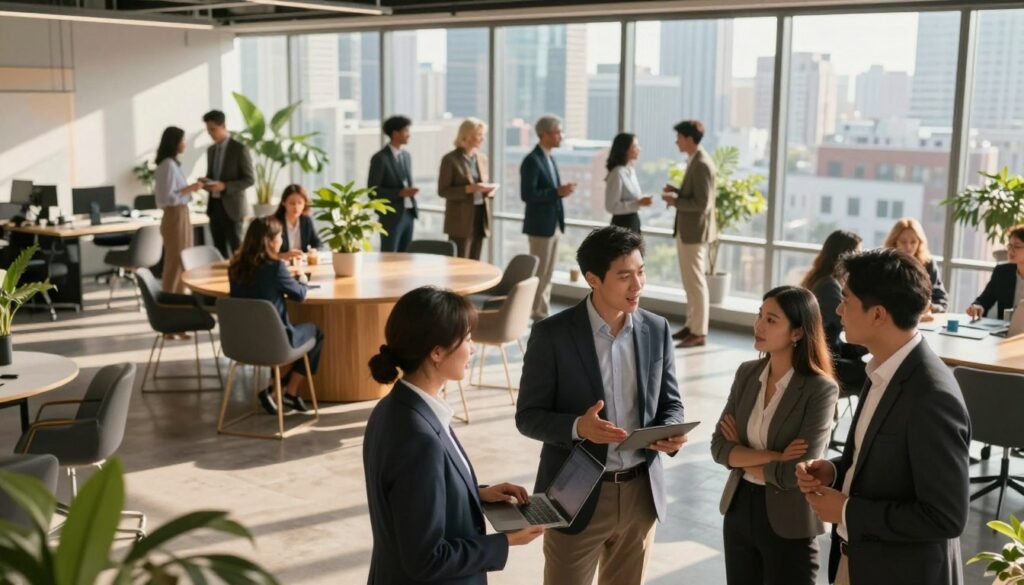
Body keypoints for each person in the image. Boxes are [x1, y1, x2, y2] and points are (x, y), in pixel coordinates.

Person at [516, 226, 686, 585]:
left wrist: (671, 430)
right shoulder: (552, 335)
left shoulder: (656, 329)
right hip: (575, 494)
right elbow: (528, 417)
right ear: (593, 278)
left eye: (641, 272)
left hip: (641, 493)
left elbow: (671, 402)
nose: (637, 285)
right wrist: (579, 427)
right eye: (625, 276)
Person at [796, 248, 971, 585]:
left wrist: (846, 510)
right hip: (860, 560)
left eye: (846, 300)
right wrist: (836, 470)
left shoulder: (931, 395)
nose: (838, 309)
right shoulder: (882, 369)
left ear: (877, 315)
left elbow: (945, 517)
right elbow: (883, 459)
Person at [363, 286, 543, 584]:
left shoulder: (394, 407)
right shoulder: (419, 438)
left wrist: (476, 493)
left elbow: (407, 503)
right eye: (468, 338)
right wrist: (506, 541)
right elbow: (427, 559)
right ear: (436, 352)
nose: (472, 348)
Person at [710, 286, 839, 585]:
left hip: (789, 519)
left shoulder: (820, 389)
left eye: (771, 320)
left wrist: (741, 455)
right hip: (739, 508)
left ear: (796, 332)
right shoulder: (746, 373)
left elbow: (797, 472)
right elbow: (718, 448)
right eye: (759, 315)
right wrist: (777, 457)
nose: (758, 325)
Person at [228, 216, 323, 416]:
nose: (281, 241)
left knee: (281, 332)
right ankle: (291, 391)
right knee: (316, 332)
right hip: (275, 342)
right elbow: (300, 295)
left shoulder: (235, 267)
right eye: (279, 237)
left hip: (241, 342)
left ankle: (274, 390)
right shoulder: (275, 267)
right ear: (270, 241)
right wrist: (302, 281)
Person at [662, 119, 716, 348]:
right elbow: (696, 195)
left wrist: (675, 201)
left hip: (695, 232)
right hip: (688, 231)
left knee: (695, 283)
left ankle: (699, 332)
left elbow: (702, 203)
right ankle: (691, 325)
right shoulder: (695, 160)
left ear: (689, 138)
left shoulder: (702, 163)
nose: (676, 142)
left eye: (679, 138)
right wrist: (678, 192)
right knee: (689, 282)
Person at [521, 115, 576, 321]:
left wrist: (560, 192)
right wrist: (556, 192)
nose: (561, 136)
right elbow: (527, 194)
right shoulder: (532, 160)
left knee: (548, 273)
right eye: (557, 132)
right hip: (540, 226)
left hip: (553, 225)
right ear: (543, 134)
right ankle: (536, 313)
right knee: (540, 273)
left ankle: (541, 311)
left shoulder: (550, 158)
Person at [801, 230, 868, 391]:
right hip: (824, 359)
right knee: (871, 374)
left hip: (827, 348)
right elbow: (848, 325)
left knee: (870, 355)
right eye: (858, 254)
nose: (860, 259)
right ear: (843, 256)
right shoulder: (829, 286)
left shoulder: (823, 278)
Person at [153, 126, 202, 301]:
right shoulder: (167, 165)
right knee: (175, 262)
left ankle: (180, 299)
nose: (184, 143)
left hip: (181, 213)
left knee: (183, 261)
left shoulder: (172, 164)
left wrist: (189, 189)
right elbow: (169, 197)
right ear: (174, 142)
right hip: (175, 215)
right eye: (182, 140)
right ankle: (169, 300)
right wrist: (191, 188)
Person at [438, 117, 497, 259]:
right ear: (467, 135)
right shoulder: (450, 159)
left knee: (476, 259)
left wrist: (489, 190)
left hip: (480, 215)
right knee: (460, 260)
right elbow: (443, 190)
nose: (482, 138)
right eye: (479, 134)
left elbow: (483, 184)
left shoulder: (482, 158)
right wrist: (468, 189)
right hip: (460, 220)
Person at [201, 109, 254, 258]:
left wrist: (225, 186)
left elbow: (249, 179)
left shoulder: (239, 149)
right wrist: (205, 182)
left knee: (238, 250)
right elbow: (213, 176)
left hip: (233, 209)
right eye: (208, 130)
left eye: (213, 129)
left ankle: (242, 280)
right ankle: (222, 281)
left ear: (223, 126)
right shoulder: (211, 150)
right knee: (219, 251)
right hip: (214, 207)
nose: (210, 133)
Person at [368, 115, 418, 252]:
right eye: (406, 131)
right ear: (395, 133)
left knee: (406, 256)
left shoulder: (406, 156)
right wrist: (399, 193)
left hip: (409, 214)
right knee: (389, 256)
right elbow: (373, 191)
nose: (409, 135)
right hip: (391, 217)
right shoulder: (380, 158)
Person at [883, 217, 948, 313]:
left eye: (913, 242)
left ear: (920, 243)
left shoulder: (928, 263)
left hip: (923, 321)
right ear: (894, 242)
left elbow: (941, 300)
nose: (908, 247)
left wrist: (931, 307)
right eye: (903, 242)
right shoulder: (885, 264)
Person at [967, 223, 1024, 320]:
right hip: (1004, 331)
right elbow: (984, 300)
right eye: (1009, 245)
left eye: (1017, 246)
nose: (1011, 250)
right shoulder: (1002, 272)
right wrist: (977, 307)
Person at [604, 133, 653, 234]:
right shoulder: (617, 173)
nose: (639, 149)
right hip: (622, 226)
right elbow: (611, 206)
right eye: (635, 146)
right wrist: (638, 203)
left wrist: (641, 201)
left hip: (633, 223)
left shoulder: (630, 170)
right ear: (625, 149)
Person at [273, 184, 321, 262]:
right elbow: (266, 253)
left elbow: (318, 244)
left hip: (302, 264)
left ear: (305, 203)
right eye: (292, 203)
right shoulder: (275, 223)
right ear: (283, 203)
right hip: (281, 266)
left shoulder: (306, 220)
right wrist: (284, 255)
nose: (296, 207)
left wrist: (314, 251)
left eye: (300, 203)